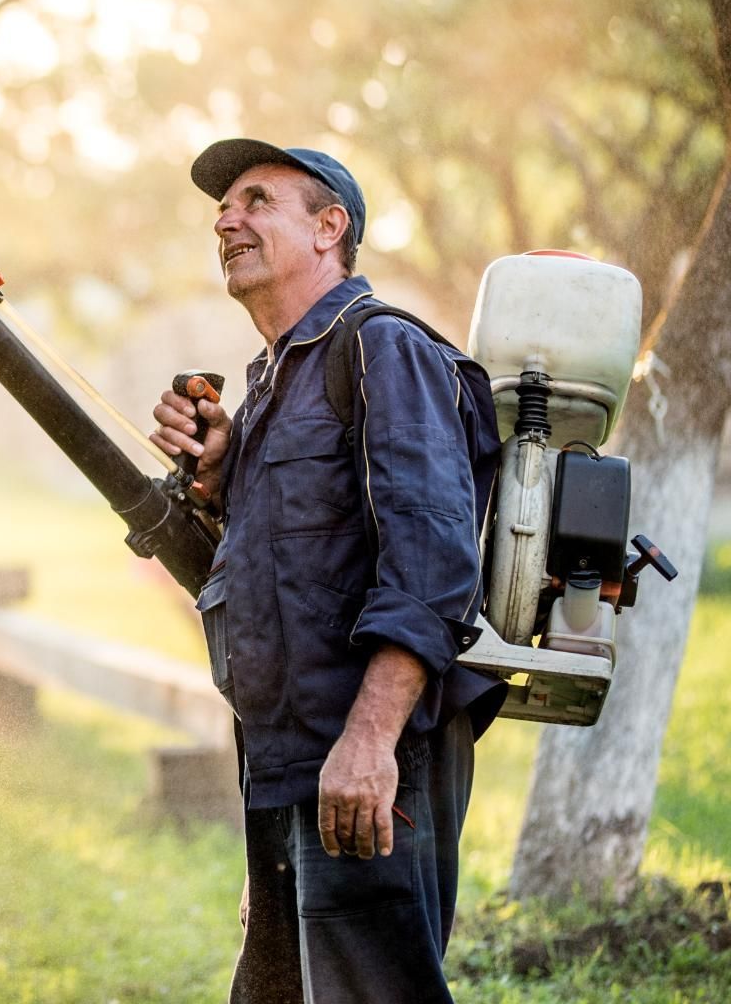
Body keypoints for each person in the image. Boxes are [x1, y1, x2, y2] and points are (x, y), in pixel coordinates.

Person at [149, 138, 504, 1004]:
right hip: (287, 763)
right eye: (222, 210)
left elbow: (430, 561)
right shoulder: (275, 380)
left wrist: (372, 740)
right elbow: (292, 569)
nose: (228, 220)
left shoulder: (383, 349)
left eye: (258, 200)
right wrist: (216, 479)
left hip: (372, 754)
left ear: (329, 227)